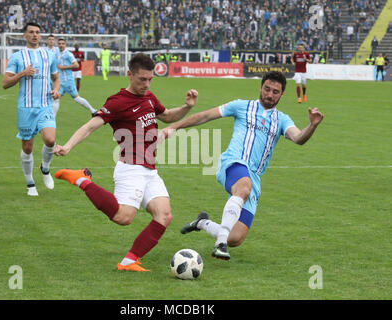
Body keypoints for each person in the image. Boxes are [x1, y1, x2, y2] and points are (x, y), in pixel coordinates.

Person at [53, 53, 198, 272]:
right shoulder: (118, 101)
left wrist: (187, 106)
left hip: (149, 169)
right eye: (142, 79)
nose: (146, 84)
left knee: (164, 215)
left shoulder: (149, 97)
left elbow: (166, 115)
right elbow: (90, 126)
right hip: (130, 167)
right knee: (123, 217)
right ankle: (82, 180)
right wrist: (68, 146)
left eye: (150, 79)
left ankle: (129, 261)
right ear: (130, 74)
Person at [160, 71, 324, 260]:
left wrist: (312, 126)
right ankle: (219, 244)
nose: (269, 95)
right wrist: (173, 127)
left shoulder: (282, 119)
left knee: (235, 238)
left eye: (275, 92)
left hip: (253, 176)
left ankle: (202, 223)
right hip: (233, 162)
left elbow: (298, 138)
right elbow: (205, 116)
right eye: (267, 89)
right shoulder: (241, 106)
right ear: (261, 87)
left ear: (282, 94)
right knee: (243, 188)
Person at [2, 22, 61, 196]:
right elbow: (5, 83)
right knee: (27, 147)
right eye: (31, 32)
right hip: (26, 108)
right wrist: (22, 74)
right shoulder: (17, 57)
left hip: (45, 105)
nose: (35, 35)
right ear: (24, 35)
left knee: (50, 140)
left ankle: (45, 168)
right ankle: (30, 183)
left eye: (37, 32)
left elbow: (56, 78)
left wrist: (56, 90)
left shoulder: (48, 55)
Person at [52, 38, 97, 117]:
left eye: (63, 43)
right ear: (57, 45)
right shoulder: (57, 54)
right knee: (56, 99)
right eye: (59, 44)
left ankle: (93, 110)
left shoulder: (68, 54)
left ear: (65, 45)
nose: (61, 45)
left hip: (68, 81)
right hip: (60, 82)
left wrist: (63, 67)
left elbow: (76, 65)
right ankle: (52, 119)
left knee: (76, 98)